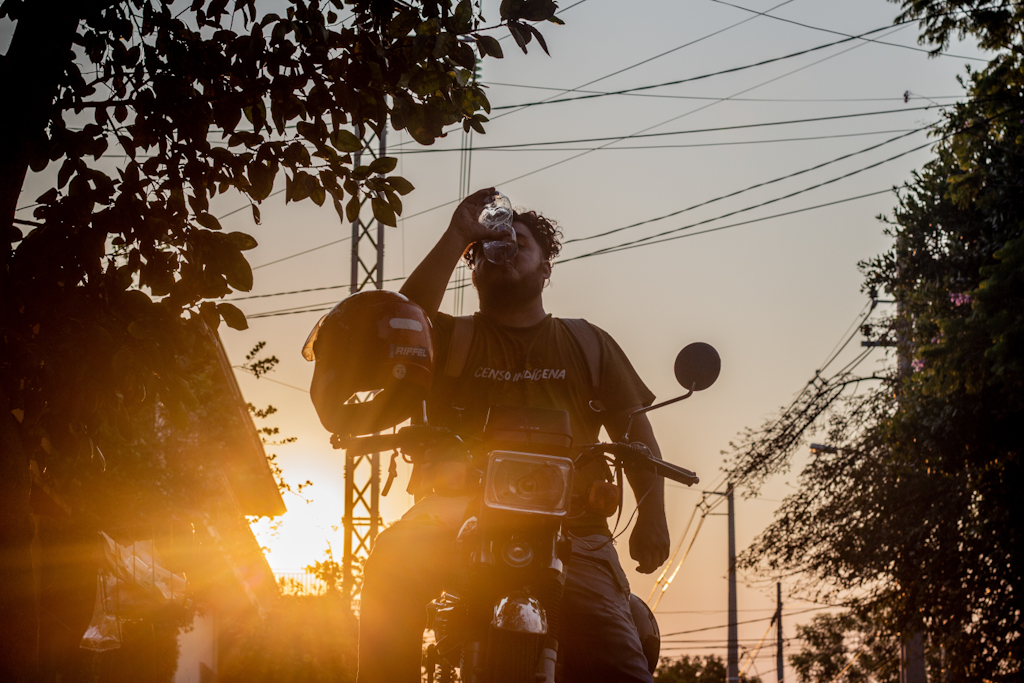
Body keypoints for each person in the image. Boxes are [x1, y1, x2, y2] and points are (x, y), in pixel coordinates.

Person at [356, 189, 671, 683]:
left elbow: (636, 432)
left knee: (621, 662)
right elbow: (401, 320)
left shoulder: (588, 343)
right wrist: (459, 234)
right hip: (455, 519)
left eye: (519, 242)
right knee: (392, 565)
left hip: (575, 529)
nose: (502, 249)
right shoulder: (448, 338)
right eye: (488, 246)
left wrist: (653, 516)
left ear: (547, 267)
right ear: (473, 265)